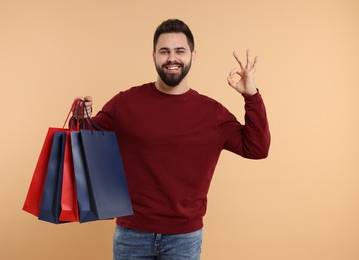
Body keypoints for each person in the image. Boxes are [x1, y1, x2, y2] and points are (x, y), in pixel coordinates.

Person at [75, 19, 270, 260]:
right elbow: (85, 143)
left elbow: (257, 148)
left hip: (184, 238)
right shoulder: (124, 103)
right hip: (131, 234)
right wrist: (81, 117)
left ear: (193, 55)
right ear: (154, 55)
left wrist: (251, 95)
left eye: (180, 51)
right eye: (164, 51)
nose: (172, 58)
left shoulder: (212, 113)